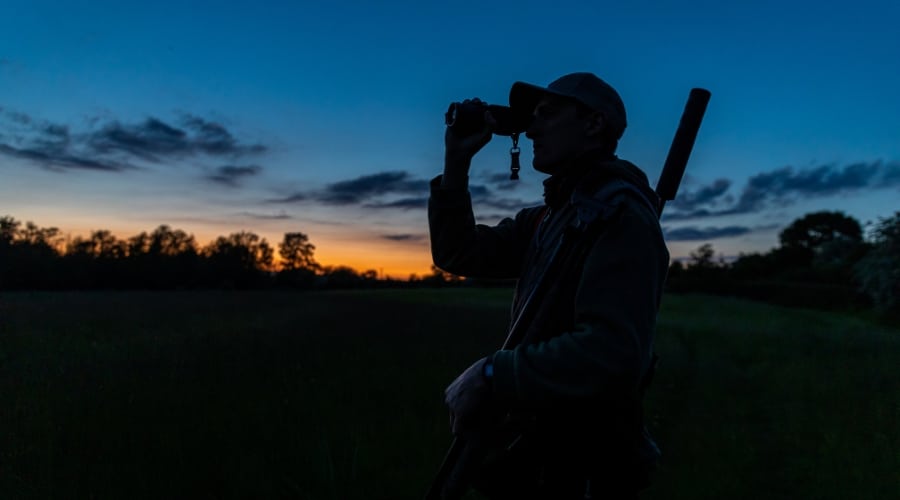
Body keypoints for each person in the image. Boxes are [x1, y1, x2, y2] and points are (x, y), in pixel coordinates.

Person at [428, 72, 669, 499]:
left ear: (593, 124)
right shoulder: (548, 217)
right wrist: (456, 163)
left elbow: (613, 352)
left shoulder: (621, 215)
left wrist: (492, 373)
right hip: (537, 457)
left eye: (547, 114)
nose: (531, 128)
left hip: (586, 468)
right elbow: (458, 255)